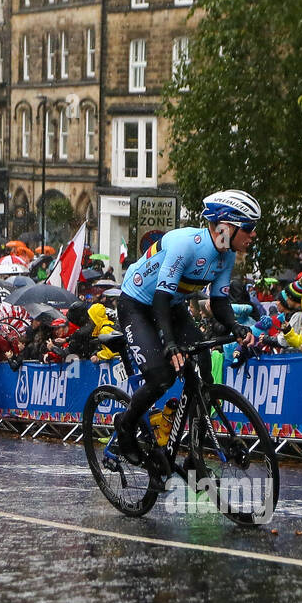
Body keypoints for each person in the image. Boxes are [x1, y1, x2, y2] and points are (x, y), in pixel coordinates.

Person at [114, 189, 258, 467]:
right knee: (162, 376)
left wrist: (235, 326)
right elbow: (160, 298)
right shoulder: (185, 244)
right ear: (226, 227)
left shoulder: (226, 255)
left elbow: (219, 299)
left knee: (203, 365)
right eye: (249, 228)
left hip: (172, 304)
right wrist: (169, 343)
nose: (253, 236)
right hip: (139, 303)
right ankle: (125, 427)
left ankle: (195, 454)